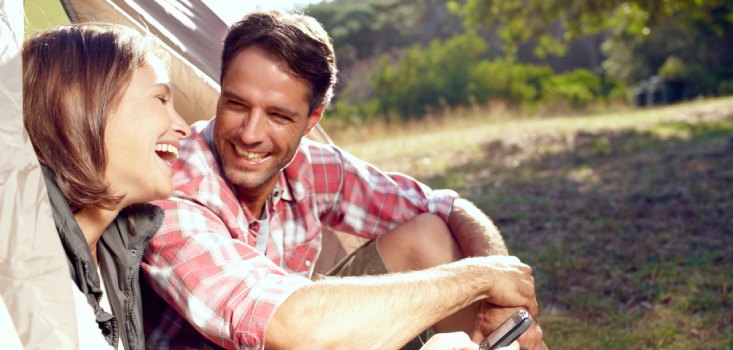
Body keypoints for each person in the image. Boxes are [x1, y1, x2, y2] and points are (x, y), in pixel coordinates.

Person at [141, 10, 546, 350]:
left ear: (311, 120)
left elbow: (446, 205)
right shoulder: (173, 186)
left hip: (301, 328)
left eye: (278, 116)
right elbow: (282, 326)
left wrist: (503, 290)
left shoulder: (313, 167)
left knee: (429, 234)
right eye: (236, 104)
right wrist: (481, 278)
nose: (250, 133)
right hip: (280, 331)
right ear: (220, 93)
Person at [22, 24, 191, 349]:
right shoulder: (18, 252)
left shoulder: (118, 255)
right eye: (161, 99)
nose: (183, 128)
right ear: (81, 103)